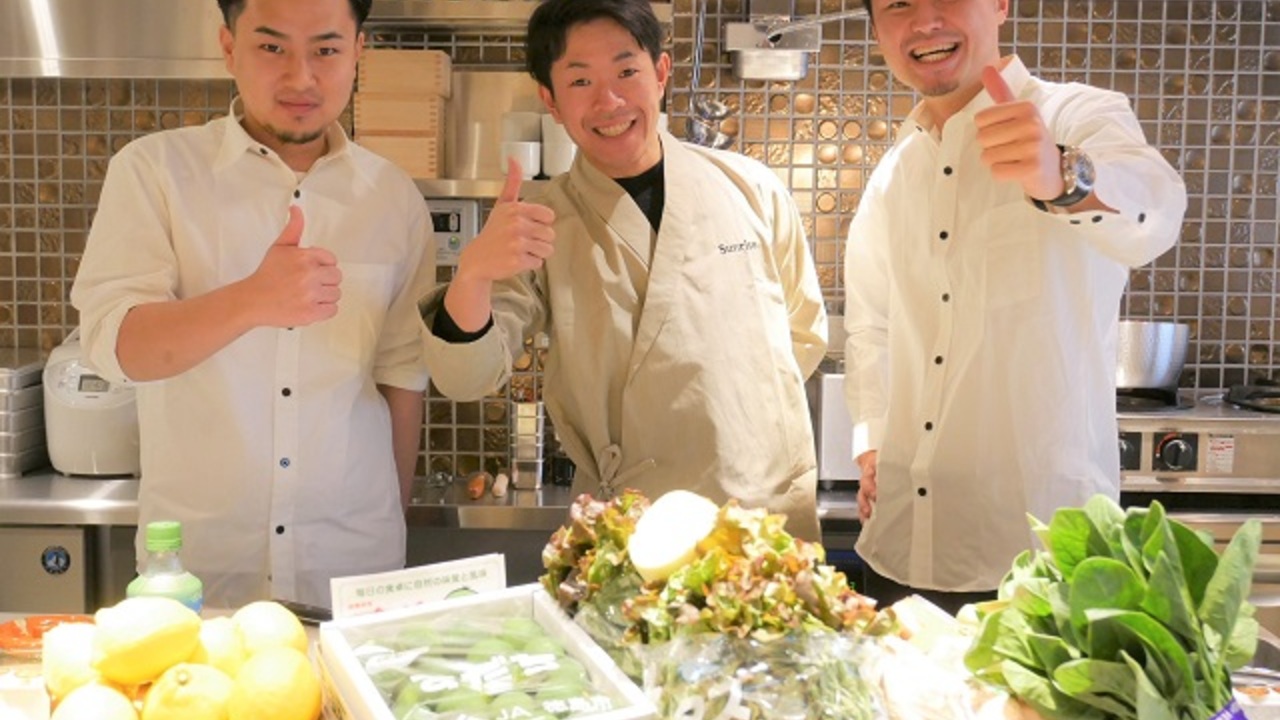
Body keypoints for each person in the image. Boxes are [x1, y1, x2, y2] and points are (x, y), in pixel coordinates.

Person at [70, 0, 434, 609]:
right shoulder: (155, 171)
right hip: (199, 575)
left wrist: (386, 528)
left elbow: (401, 377)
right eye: (271, 48)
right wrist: (251, 300)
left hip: (351, 571)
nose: (300, 77)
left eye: (326, 49)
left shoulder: (393, 198)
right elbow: (116, 348)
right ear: (228, 46)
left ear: (357, 52)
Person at [419, 0, 828, 541]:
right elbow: (466, 378)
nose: (608, 101)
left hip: (761, 513)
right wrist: (472, 274)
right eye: (581, 80)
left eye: (627, 71)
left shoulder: (752, 188)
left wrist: (736, 422)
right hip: (634, 523)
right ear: (552, 101)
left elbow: (804, 335)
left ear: (660, 73)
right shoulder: (541, 219)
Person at [843, 0, 1186, 613]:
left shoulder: (1077, 116)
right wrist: (872, 441)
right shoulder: (896, 170)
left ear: (1000, 4)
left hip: (1040, 555)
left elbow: (1156, 213)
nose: (924, 23)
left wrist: (1062, 176)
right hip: (902, 547)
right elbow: (872, 321)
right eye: (897, 4)